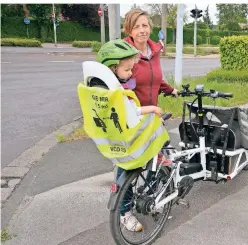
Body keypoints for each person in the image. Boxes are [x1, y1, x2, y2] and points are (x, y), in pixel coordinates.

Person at [94, 39, 165, 232]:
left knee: (145, 162)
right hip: (130, 136)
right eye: (127, 70)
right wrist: (154, 109)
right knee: (132, 167)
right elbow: (132, 111)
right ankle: (125, 212)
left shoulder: (98, 89)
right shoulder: (118, 93)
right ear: (112, 69)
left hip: (115, 139)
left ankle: (145, 200)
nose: (131, 73)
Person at [122, 8, 178, 166]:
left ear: (150, 28)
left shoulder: (154, 51)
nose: (142, 31)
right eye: (136, 27)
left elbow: (155, 77)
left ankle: (154, 187)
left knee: (155, 159)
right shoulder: (124, 53)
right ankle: (123, 191)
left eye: (144, 26)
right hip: (132, 115)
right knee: (129, 161)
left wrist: (170, 89)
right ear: (129, 30)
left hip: (151, 115)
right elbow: (117, 82)